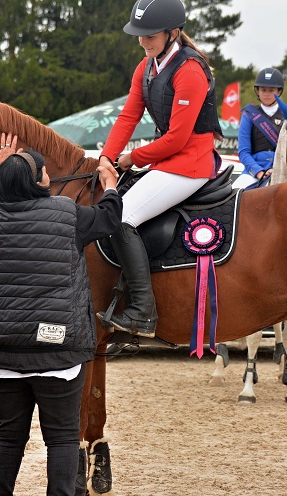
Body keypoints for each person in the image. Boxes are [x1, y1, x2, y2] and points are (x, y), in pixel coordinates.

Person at [0, 134, 123, 496]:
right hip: (56, 351)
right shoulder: (66, 213)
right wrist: (109, 183)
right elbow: (109, 219)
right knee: (60, 438)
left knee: (9, 437)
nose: (50, 177)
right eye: (44, 174)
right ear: (37, 182)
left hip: (0, 352)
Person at [96, 0, 223, 338]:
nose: (143, 42)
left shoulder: (191, 71)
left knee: (122, 217)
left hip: (190, 164)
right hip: (166, 161)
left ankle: (142, 312)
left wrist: (131, 158)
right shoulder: (146, 67)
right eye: (139, 36)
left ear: (173, 33)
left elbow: (178, 139)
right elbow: (128, 116)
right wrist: (106, 157)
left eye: (149, 35)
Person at [237, 67, 285, 184]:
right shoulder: (249, 115)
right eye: (263, 90)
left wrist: (279, 170)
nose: (267, 94)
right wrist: (258, 172)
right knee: (235, 192)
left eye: (271, 90)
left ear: (279, 91)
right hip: (254, 170)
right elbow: (243, 152)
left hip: (282, 169)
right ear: (257, 91)